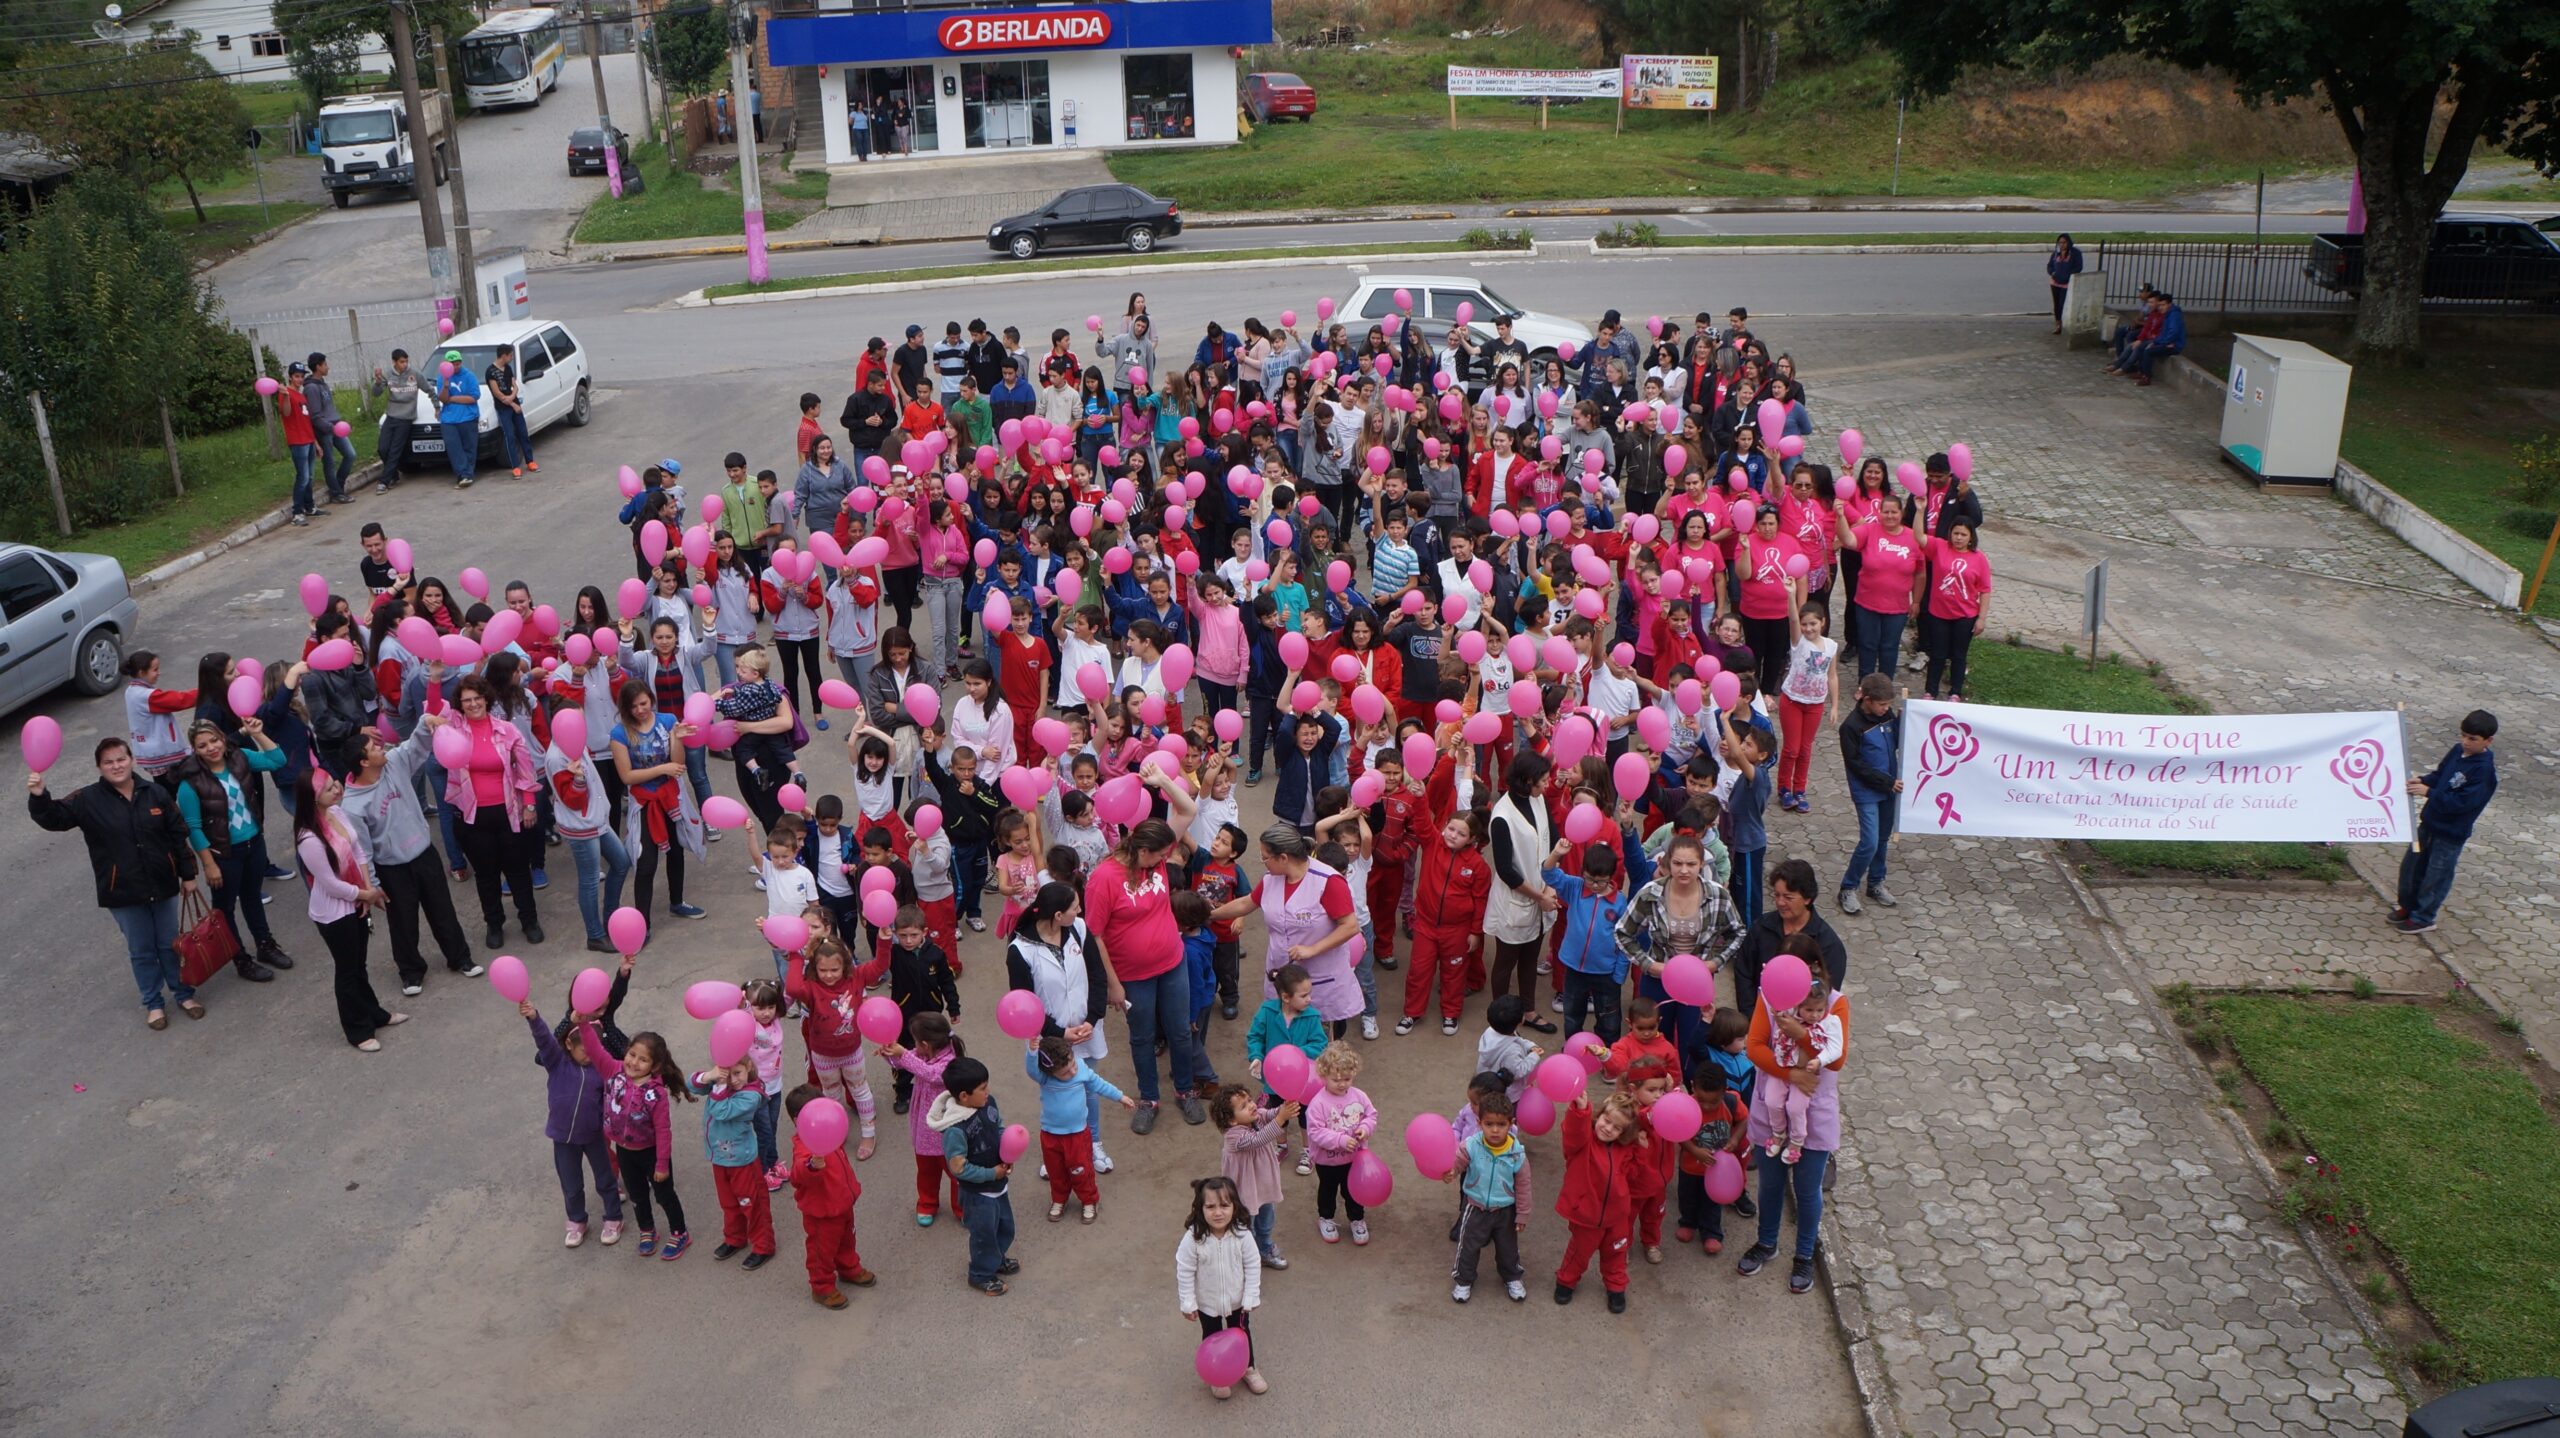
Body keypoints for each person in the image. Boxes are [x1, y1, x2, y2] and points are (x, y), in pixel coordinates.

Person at [27, 736, 202, 1027]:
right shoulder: (86, 799)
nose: (116, 765)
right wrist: (38, 795)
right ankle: (153, 1003)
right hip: (122, 892)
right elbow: (54, 818)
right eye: (108, 762)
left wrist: (188, 875)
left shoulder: (155, 793)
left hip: (163, 884)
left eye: (121, 759)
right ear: (99, 767)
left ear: (132, 760)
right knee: (142, 950)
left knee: (171, 944)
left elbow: (177, 834)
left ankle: (184, 994)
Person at [1085, 817, 1214, 1132]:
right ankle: (1148, 1099)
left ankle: (1184, 1090)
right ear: (1142, 851)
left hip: (1173, 962)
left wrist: (1160, 780)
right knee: (1142, 1037)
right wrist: (1113, 985)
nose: (1164, 862)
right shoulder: (1104, 878)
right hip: (1133, 976)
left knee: (1181, 1031)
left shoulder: (1154, 863)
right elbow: (1095, 935)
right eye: (1158, 855)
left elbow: (1187, 809)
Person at [336, 721, 482, 994]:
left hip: (424, 853)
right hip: (392, 868)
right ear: (364, 762)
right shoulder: (353, 806)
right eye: (374, 748)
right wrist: (373, 884)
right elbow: (362, 850)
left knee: (442, 910)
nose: (381, 748)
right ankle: (411, 971)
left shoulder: (393, 763)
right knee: (403, 922)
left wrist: (427, 722)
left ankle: (460, 957)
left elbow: (415, 745)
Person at [1738, 971, 1850, 1294]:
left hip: (1816, 1111)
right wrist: (1790, 1075)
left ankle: (1803, 1255)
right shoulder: (1771, 997)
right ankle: (1766, 1242)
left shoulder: (1836, 1004)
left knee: (1807, 1187)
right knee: (1770, 1183)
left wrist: (1800, 1033)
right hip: (1772, 1107)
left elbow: (1837, 1058)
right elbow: (1755, 1047)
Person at [170, 717, 293, 980]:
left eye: (214, 740)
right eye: (202, 745)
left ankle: (265, 945)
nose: (211, 747)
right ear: (195, 749)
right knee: (224, 910)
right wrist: (209, 864)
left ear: (223, 739)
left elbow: (277, 760)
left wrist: (258, 733)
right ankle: (240, 959)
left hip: (253, 843)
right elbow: (193, 827)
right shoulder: (189, 783)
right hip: (223, 855)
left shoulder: (240, 757)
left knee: (252, 898)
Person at [290, 767, 404, 1050]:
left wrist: (366, 889)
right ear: (313, 799)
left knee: (358, 965)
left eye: (335, 783)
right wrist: (365, 893)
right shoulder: (309, 840)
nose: (337, 789)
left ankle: (374, 1014)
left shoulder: (337, 813)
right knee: (347, 970)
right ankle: (357, 1030)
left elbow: (358, 851)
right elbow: (329, 883)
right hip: (334, 912)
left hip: (357, 900)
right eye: (328, 788)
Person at [1212, 826, 1362, 1041]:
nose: (1263, 863)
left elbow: (1350, 926)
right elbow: (1247, 903)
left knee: (1316, 1044)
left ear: (1283, 857)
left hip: (1318, 979)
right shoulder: (1272, 879)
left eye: (1265, 858)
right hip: (1281, 975)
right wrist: (1209, 915)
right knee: (1283, 1035)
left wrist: (1312, 949)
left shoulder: (1328, 881)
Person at [1615, 833, 1748, 1060]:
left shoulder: (1718, 895)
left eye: (1691, 864)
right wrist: (1650, 965)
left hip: (1696, 984)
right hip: (1658, 981)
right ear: (1667, 863)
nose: (1684, 870)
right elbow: (1622, 932)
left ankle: (1687, 1090)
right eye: (1677, 863)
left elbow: (1738, 931)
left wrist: (1715, 962)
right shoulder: (1651, 893)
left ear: (1702, 864)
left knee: (1691, 1044)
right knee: (1653, 1044)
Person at [439, 675, 543, 949]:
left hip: (509, 813)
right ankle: (494, 924)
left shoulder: (507, 730)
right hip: (472, 817)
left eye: (477, 698)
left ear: (486, 698)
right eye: (467, 700)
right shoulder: (453, 730)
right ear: (459, 705)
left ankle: (529, 921)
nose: (473, 704)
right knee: (486, 876)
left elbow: (525, 768)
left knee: (518, 871)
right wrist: (434, 676)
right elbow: (430, 714)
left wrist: (529, 803)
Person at [519, 998, 622, 1248]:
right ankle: (577, 1221)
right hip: (563, 1139)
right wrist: (534, 1017)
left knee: (605, 1178)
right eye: (584, 1050)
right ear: (568, 1044)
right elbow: (543, 1040)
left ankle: (613, 1217)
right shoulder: (557, 1063)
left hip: (594, 1136)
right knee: (571, 1184)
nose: (589, 1056)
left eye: (594, 1050)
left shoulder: (602, 1072)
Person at [586, 1023, 692, 1262]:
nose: (633, 1062)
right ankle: (647, 1230)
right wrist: (582, 1023)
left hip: (652, 1153)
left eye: (642, 1060)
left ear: (654, 1067)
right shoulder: (614, 1072)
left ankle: (680, 1232)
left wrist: (662, 1165)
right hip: (625, 1151)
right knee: (637, 1195)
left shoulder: (656, 1094)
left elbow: (664, 1131)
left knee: (664, 1195)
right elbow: (594, 1050)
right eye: (632, 1054)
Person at [2396, 710, 2499, 935]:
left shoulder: (2484, 771)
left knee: (2436, 875)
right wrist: (2423, 781)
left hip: (2450, 833)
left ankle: (2424, 917)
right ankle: (2409, 905)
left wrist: (2429, 792)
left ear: (2488, 741)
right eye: (2463, 735)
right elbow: (2441, 775)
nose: (2465, 742)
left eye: (2472, 739)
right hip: (2429, 822)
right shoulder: (2456, 751)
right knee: (2412, 867)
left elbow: (2462, 803)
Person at [930, 1056, 1018, 1295]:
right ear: (964, 1096)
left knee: (1005, 1226)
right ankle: (980, 1274)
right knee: (983, 1234)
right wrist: (991, 1172)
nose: (987, 1092)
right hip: (977, 1194)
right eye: (982, 1089)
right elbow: (958, 1168)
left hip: (998, 1183)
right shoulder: (955, 1130)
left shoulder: (989, 1104)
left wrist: (1006, 1149)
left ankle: (996, 1259)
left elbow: (998, 1125)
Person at [1176, 1175, 1270, 1399]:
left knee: (1242, 1334)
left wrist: (1250, 1297)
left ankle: (1248, 1368)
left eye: (1224, 1205)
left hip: (1238, 1302)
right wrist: (1188, 1302)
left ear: (1235, 1206)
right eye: (1210, 1206)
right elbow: (1184, 1269)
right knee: (1212, 1336)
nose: (1218, 1212)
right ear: (1200, 1209)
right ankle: (1216, 1375)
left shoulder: (1242, 1235)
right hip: (1207, 1303)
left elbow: (1253, 1265)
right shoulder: (1194, 1238)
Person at [1727, 859, 1851, 1029]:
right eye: (1777, 895)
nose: (1780, 902)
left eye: (1788, 897)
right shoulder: (1762, 928)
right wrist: (1752, 1018)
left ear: (1807, 898)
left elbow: (1826, 993)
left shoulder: (1828, 945)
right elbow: (1744, 972)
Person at [1485, 753, 1560, 1033]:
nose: (1547, 784)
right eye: (1543, 780)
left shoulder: (1538, 799)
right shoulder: (1503, 817)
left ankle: (1528, 1011)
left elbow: (1551, 837)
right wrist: (1539, 896)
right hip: (1517, 900)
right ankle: (1501, 1019)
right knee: (1506, 961)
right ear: (1527, 781)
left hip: (1542, 894)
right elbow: (1506, 870)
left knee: (1531, 957)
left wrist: (1550, 884)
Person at [1553, 1090, 1646, 1312]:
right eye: (1606, 1120)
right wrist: (1580, 1110)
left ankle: (1616, 1287)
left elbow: (1633, 1174)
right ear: (1599, 1115)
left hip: (1617, 1216)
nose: (1608, 1128)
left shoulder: (1625, 1148)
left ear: (1624, 1132)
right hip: (1586, 1215)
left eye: (1617, 1127)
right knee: (1579, 1253)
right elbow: (1573, 1132)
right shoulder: (1582, 1144)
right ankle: (1566, 1280)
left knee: (1616, 1253)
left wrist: (1640, 1149)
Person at [785, 1083, 876, 1307]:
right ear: (800, 1120)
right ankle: (822, 1287)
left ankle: (849, 1268)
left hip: (843, 1204)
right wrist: (811, 1166)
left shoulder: (828, 1133)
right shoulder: (805, 1147)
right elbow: (796, 1175)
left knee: (847, 1239)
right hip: (822, 1214)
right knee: (821, 1252)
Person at [1028, 1034, 1136, 1223]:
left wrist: (1120, 1097)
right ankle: (1059, 1199)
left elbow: (1099, 1084)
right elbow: (1031, 1069)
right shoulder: (1044, 1077)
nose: (1072, 1071)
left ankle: (1088, 1200)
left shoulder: (1081, 1068)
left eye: (1072, 1064)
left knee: (1081, 1170)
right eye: (1065, 1072)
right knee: (1056, 1171)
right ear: (1049, 1072)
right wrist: (1031, 1051)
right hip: (1050, 1135)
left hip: (1077, 1135)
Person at [877, 1011, 966, 1225]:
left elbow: (932, 1075)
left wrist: (904, 1055)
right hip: (923, 1127)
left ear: (926, 1043)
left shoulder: (949, 1060)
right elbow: (902, 1063)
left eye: (916, 1042)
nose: (914, 1046)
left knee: (956, 1172)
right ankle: (927, 1203)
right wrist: (889, 1053)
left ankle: (962, 1208)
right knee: (926, 1171)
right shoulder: (925, 1052)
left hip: (945, 1128)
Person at [1445, 1089, 1532, 1304]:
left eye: (1501, 1125)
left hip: (1505, 1210)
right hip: (1475, 1206)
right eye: (1489, 1124)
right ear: (1479, 1122)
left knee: (1508, 1247)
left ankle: (1512, 1277)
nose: (1494, 1130)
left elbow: (1524, 1185)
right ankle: (1464, 1280)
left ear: (1510, 1123)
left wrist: (1522, 1214)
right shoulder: (1471, 1145)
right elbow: (1458, 1162)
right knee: (1468, 1246)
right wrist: (1452, 1172)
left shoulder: (1516, 1152)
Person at [690, 1055, 777, 1268]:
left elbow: (721, 1111)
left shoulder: (751, 1095)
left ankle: (763, 1245)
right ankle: (735, 1238)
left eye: (737, 1073)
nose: (734, 1080)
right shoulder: (720, 1083)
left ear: (748, 1067)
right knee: (729, 1203)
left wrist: (719, 1084)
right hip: (719, 1159)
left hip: (743, 1161)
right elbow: (691, 1085)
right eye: (727, 1075)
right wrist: (708, 1076)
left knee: (752, 1203)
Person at [1836, 673, 1903, 915]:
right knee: (1870, 841)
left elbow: (1896, 742)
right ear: (1867, 699)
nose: (1887, 709)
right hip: (1868, 791)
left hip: (1889, 788)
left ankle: (1875, 883)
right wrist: (1886, 782)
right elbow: (1856, 765)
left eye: (1888, 705)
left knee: (1883, 839)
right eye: (1882, 704)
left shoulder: (1886, 716)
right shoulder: (1850, 727)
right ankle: (1848, 887)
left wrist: (1902, 723)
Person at [1302, 1043, 1378, 1247]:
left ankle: (1356, 1218)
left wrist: (1365, 1128)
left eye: (1347, 1079)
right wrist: (1341, 1141)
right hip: (1327, 1161)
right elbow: (1316, 1132)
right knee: (1327, 1190)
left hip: (1354, 1159)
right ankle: (1326, 1218)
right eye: (1336, 1079)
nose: (1342, 1084)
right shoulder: (1318, 1104)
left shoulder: (1359, 1096)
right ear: (1323, 1076)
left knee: (1353, 1190)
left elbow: (1371, 1115)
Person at [1216, 1084, 1296, 1270]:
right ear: (1231, 1120)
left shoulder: (1255, 1116)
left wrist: (1284, 1108)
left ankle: (1265, 1247)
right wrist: (1281, 1119)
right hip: (1244, 1188)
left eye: (1250, 1100)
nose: (1252, 1105)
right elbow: (1258, 1139)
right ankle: (1246, 1256)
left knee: (1267, 1217)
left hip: (1263, 1182)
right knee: (1245, 1224)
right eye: (1243, 1106)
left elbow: (1269, 1113)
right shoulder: (1234, 1137)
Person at [2110, 291, 2186, 387]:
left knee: (2148, 351)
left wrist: (2160, 342)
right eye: (2160, 305)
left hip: (2173, 345)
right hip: (2165, 342)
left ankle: (2146, 377)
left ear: (2169, 304)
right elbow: (2162, 332)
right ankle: (2137, 370)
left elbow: (2172, 333)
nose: (2161, 307)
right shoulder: (2166, 314)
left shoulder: (2173, 315)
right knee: (2140, 346)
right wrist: (2156, 341)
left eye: (2163, 305)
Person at [369, 349, 420, 491]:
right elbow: (376, 393)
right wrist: (378, 382)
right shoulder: (388, 374)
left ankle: (384, 482)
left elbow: (428, 389)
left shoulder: (414, 374)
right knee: (383, 448)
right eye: (401, 362)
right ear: (394, 362)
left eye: (406, 361)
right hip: (391, 416)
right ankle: (393, 474)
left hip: (406, 417)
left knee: (395, 450)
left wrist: (436, 406)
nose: (405, 364)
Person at [432, 348, 482, 489]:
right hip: (449, 419)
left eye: (458, 363)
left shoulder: (469, 376)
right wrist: (446, 387)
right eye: (453, 364)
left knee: (469, 447)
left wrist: (452, 398)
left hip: (468, 417)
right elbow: (443, 399)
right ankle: (463, 474)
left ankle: (467, 474)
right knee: (454, 448)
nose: (456, 366)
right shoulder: (442, 378)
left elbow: (473, 397)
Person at [486, 344, 537, 478]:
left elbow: (514, 386)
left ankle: (530, 461)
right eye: (510, 355)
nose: (511, 357)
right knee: (510, 436)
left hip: (514, 403)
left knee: (523, 432)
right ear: (503, 355)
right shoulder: (490, 372)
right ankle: (515, 466)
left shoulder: (508, 368)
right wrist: (511, 403)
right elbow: (497, 393)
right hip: (503, 408)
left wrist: (512, 397)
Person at [2045, 234, 2084, 333]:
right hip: (2055, 283)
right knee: (2057, 305)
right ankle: (2058, 325)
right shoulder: (2056, 253)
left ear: (2068, 242)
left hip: (2067, 283)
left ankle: (2066, 323)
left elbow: (2078, 267)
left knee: (2063, 304)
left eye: (2064, 242)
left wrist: (2067, 276)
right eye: (2060, 243)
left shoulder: (2075, 253)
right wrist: (2053, 273)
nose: (2062, 245)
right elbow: (2049, 266)